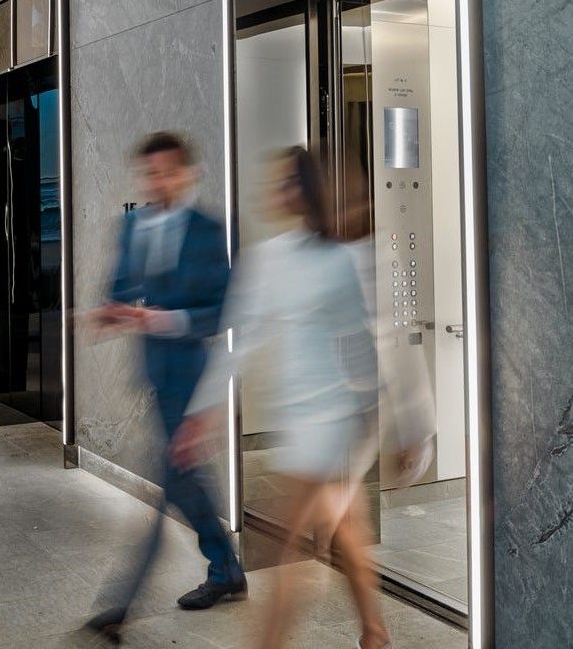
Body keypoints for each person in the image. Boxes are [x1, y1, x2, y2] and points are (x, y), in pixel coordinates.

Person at [173, 146, 390, 649]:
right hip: (302, 418)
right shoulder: (268, 259)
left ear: (304, 192)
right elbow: (240, 343)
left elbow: (360, 344)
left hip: (329, 421)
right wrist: (202, 413)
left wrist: (376, 413)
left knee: (286, 549)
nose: (275, 191)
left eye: (286, 182)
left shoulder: (336, 259)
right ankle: (375, 633)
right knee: (344, 528)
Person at [83, 133, 245, 645]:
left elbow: (221, 312)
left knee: (168, 483)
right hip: (156, 374)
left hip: (193, 380)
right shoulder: (132, 225)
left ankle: (120, 605)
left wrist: (161, 320)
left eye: (167, 172)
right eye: (150, 173)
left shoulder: (209, 231)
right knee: (185, 482)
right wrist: (110, 314)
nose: (158, 182)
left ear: (188, 173)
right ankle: (226, 568)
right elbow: (119, 289)